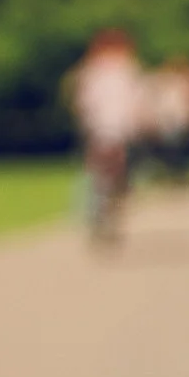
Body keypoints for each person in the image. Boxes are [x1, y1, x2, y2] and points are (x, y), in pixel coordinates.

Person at [65, 29, 145, 247]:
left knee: (101, 175)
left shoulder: (94, 70)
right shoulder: (124, 70)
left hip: (103, 129)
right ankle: (101, 214)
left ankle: (97, 213)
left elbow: (81, 102)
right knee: (111, 177)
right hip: (113, 130)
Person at [141, 57, 189, 182]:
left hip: (181, 120)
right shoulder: (162, 81)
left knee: (178, 147)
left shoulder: (186, 82)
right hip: (167, 121)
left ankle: (176, 172)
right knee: (173, 147)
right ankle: (173, 172)